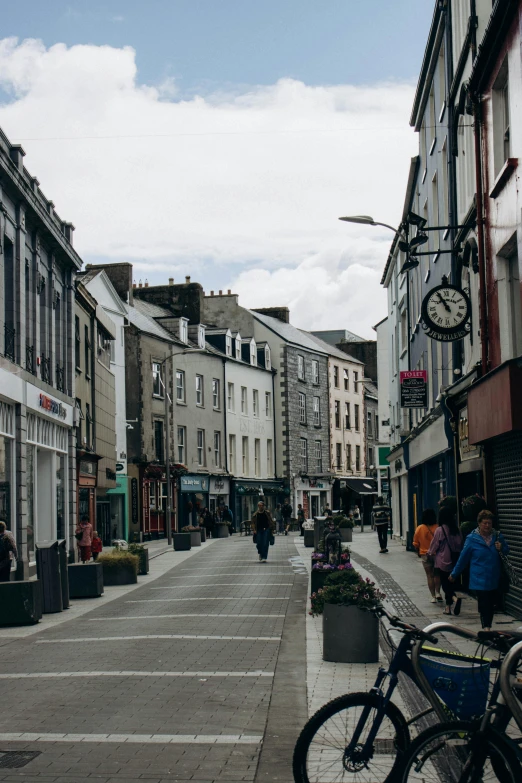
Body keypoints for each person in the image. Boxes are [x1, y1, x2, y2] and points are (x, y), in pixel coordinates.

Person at [450, 510, 509, 631]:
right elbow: (463, 558)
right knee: (484, 603)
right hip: (479, 578)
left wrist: (502, 547)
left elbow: (506, 551)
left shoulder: (497, 536)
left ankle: (488, 625)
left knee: (491, 603)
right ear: (479, 524)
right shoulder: (472, 539)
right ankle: (486, 628)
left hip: (494, 577)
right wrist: (454, 574)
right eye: (485, 523)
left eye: (489, 523)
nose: (487, 526)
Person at [428, 506, 463, 616]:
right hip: (455, 561)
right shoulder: (457, 530)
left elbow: (434, 545)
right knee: (451, 583)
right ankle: (447, 608)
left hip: (443, 561)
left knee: (445, 584)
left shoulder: (440, 530)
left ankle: (455, 598)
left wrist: (429, 553)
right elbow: (460, 544)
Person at [413, 508, 442, 603]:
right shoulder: (438, 528)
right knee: (437, 575)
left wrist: (418, 551)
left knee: (429, 575)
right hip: (436, 554)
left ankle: (433, 596)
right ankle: (438, 592)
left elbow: (415, 543)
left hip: (425, 554)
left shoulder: (420, 528)